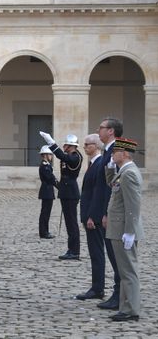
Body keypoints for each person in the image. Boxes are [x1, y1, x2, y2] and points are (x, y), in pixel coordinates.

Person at [104, 137, 144, 322]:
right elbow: (111, 184)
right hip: (119, 228)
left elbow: (133, 205)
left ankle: (131, 310)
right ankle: (126, 307)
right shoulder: (123, 171)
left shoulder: (129, 173)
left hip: (123, 229)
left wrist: (130, 231)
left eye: (115, 152)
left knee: (128, 271)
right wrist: (111, 167)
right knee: (124, 270)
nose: (112, 154)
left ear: (125, 153)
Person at [40, 132, 83, 260]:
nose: (64, 147)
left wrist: (51, 143)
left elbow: (62, 157)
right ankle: (71, 249)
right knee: (69, 223)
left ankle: (74, 251)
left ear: (71, 146)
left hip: (70, 192)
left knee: (72, 223)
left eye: (66, 145)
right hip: (66, 191)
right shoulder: (69, 155)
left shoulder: (75, 156)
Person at [96, 117, 123, 310]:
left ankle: (120, 294)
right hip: (107, 211)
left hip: (114, 213)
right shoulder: (108, 151)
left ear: (111, 131)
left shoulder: (119, 150)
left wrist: (106, 213)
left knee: (117, 256)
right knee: (113, 254)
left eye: (101, 128)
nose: (99, 130)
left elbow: (115, 186)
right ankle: (118, 293)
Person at [76, 134, 106, 300]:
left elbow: (97, 194)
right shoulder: (93, 163)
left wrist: (91, 217)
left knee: (97, 253)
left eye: (87, 144)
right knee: (95, 252)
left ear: (95, 146)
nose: (85, 147)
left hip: (93, 217)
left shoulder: (99, 163)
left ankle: (97, 288)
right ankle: (96, 286)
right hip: (89, 214)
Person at [37, 145, 57, 239]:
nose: (51, 156)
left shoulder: (47, 165)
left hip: (48, 190)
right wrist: (60, 186)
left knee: (46, 213)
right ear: (45, 155)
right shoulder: (44, 165)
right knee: (45, 212)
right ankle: (43, 232)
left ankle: (45, 230)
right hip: (46, 191)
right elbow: (50, 178)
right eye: (50, 154)